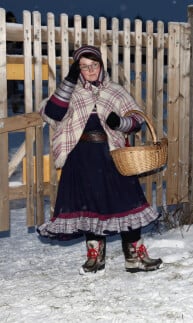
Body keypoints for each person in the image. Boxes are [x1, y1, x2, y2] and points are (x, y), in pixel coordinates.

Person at [37, 45, 163, 275]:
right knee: (89, 206)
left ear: (101, 65)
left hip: (113, 154)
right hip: (81, 156)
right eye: (84, 67)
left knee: (127, 202)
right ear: (78, 70)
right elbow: (53, 113)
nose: (90, 70)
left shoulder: (115, 90)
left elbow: (137, 119)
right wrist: (69, 81)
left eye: (94, 65)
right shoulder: (71, 91)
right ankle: (95, 256)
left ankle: (134, 256)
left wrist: (120, 123)